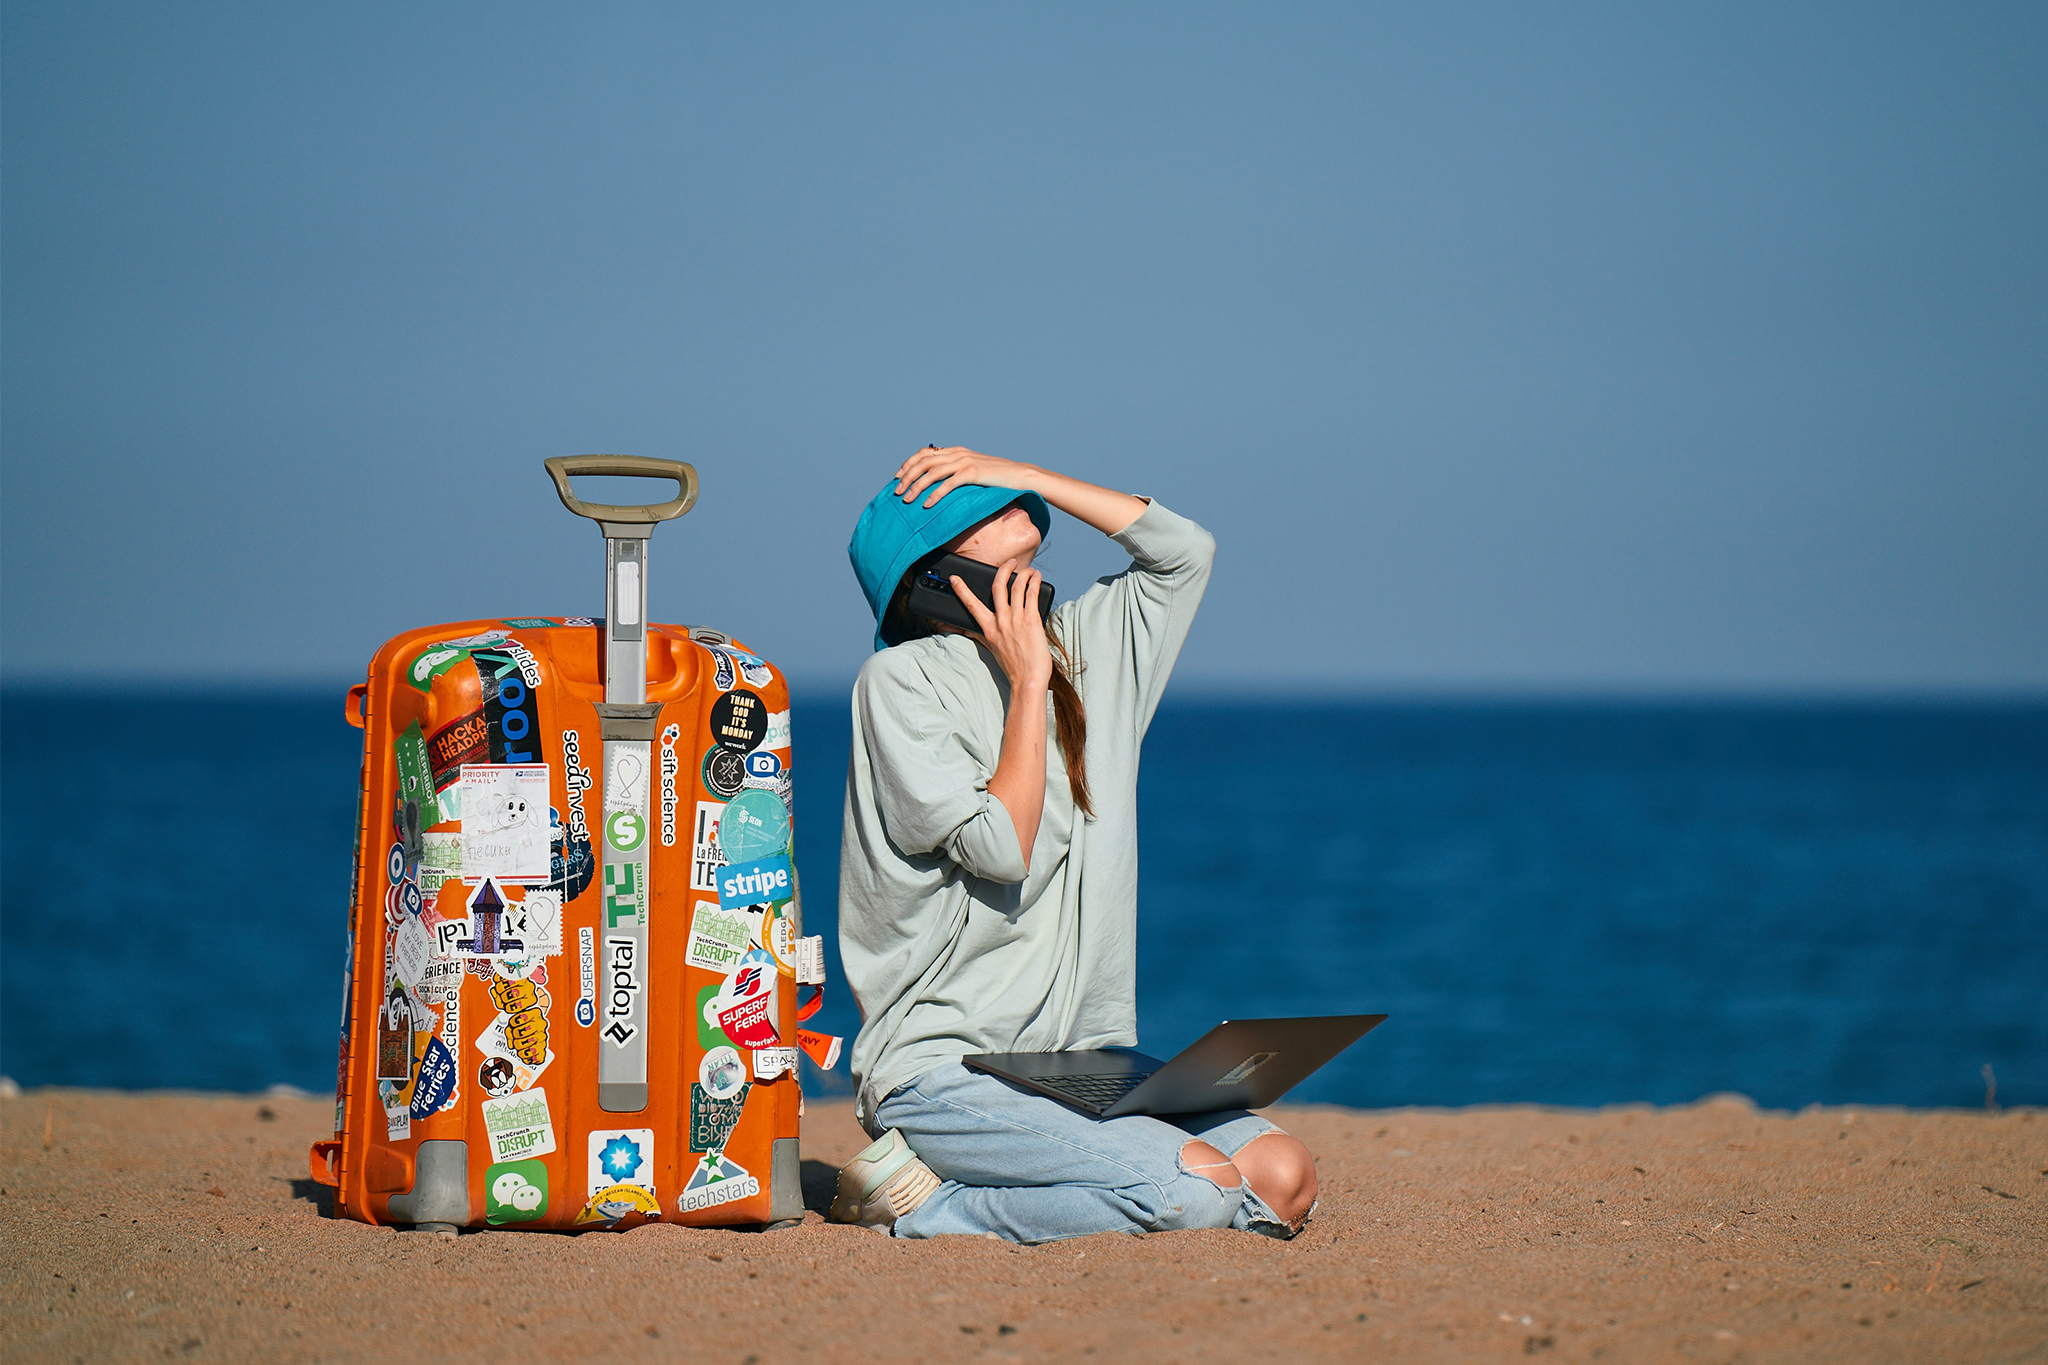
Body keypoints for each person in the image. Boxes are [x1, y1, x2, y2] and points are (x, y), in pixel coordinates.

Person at [828, 445, 1319, 1243]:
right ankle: (928, 1209)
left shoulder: (1088, 644)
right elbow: (1000, 847)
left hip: (1070, 1064)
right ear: (932, 575)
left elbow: (1184, 551)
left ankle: (1070, 1176)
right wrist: (1027, 683)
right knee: (1192, 1193)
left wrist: (1015, 468)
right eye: (975, 504)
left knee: (1283, 1177)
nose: (1005, 498)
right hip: (940, 1070)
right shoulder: (900, 685)